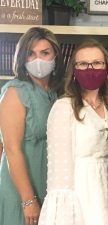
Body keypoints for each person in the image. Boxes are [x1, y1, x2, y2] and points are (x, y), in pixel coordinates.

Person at [38, 39, 108, 225]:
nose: (90, 68)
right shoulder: (63, 107)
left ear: (106, 69)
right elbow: (57, 173)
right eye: (83, 64)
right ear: (74, 71)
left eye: (97, 63)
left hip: (107, 190)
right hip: (79, 193)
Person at [0, 27, 64, 225]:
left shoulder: (56, 93)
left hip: (50, 182)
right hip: (22, 187)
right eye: (31, 53)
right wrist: (28, 200)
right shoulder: (15, 92)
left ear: (55, 56)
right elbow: (11, 149)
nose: (38, 60)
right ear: (22, 58)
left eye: (45, 53)